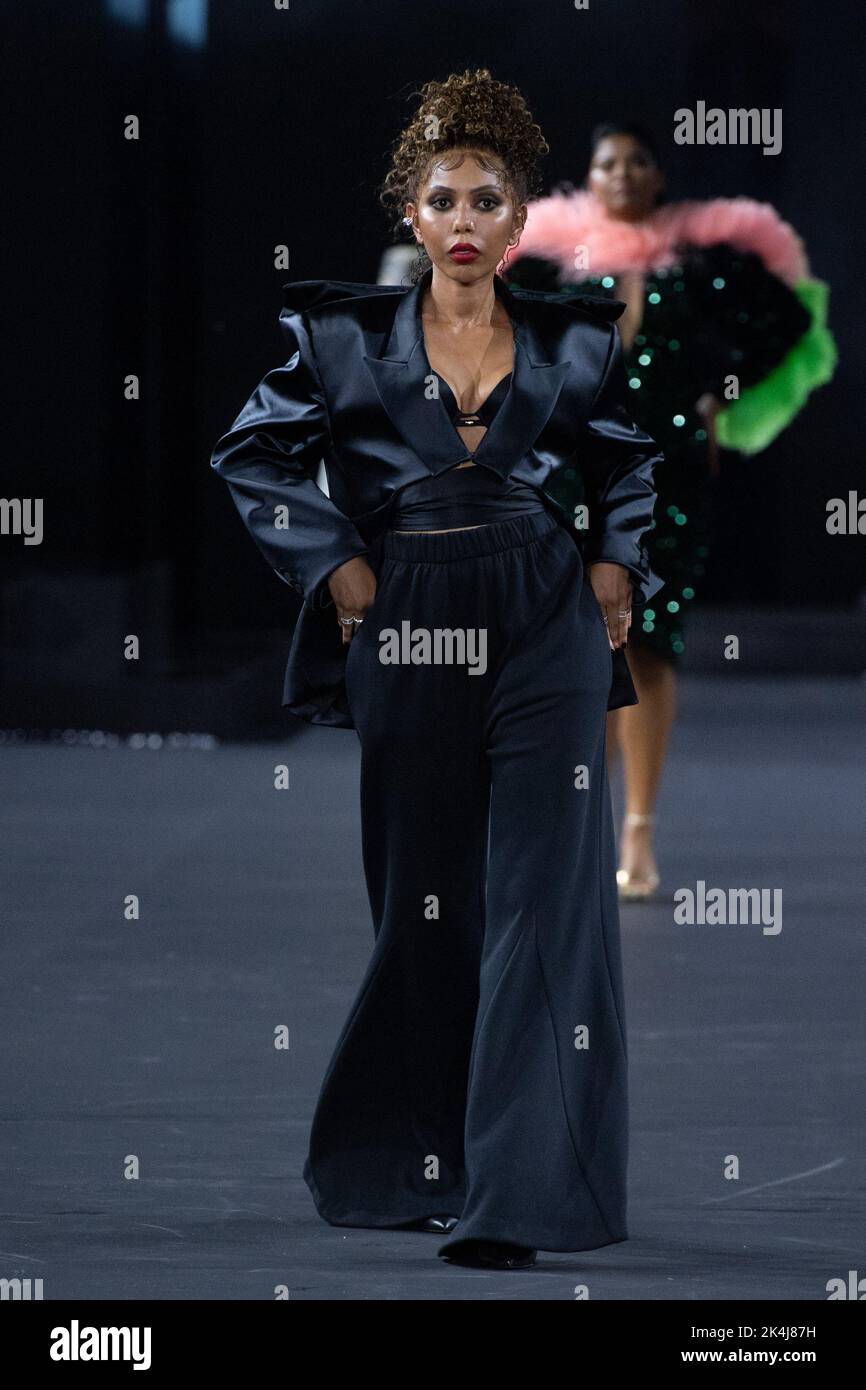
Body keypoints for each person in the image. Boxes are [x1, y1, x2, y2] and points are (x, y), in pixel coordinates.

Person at [210, 71, 664, 1270]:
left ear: (518, 226)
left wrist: (615, 556)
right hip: (405, 622)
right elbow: (250, 456)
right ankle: (414, 1159)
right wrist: (333, 564)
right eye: (442, 198)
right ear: (410, 216)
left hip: (540, 619)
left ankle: (522, 1196)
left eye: (488, 200)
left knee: (541, 902)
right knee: (424, 901)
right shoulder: (340, 338)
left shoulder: (572, 339)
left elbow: (625, 462)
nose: (464, 220)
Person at [505, 122, 836, 900]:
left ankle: (638, 833)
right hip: (574, 476)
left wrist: (714, 397)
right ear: (588, 176)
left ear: (659, 176)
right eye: (607, 163)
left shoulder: (698, 263)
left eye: (638, 162)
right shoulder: (556, 258)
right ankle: (576, 829)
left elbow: (785, 324)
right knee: (578, 647)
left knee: (650, 644)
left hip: (671, 476)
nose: (622, 175)